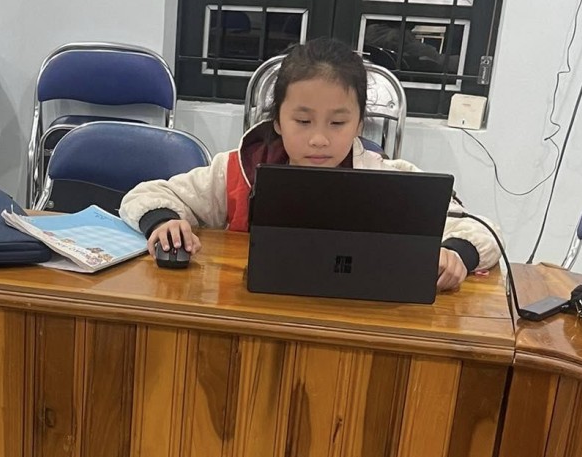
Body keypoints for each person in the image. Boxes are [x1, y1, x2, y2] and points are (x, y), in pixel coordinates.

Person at [120, 37, 499, 291]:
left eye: (337, 123)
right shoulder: (238, 171)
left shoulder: (387, 178)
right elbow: (144, 195)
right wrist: (165, 221)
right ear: (277, 121)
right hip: (249, 317)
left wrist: (457, 253)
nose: (319, 139)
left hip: (353, 325)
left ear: (359, 124)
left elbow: (485, 231)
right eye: (303, 121)